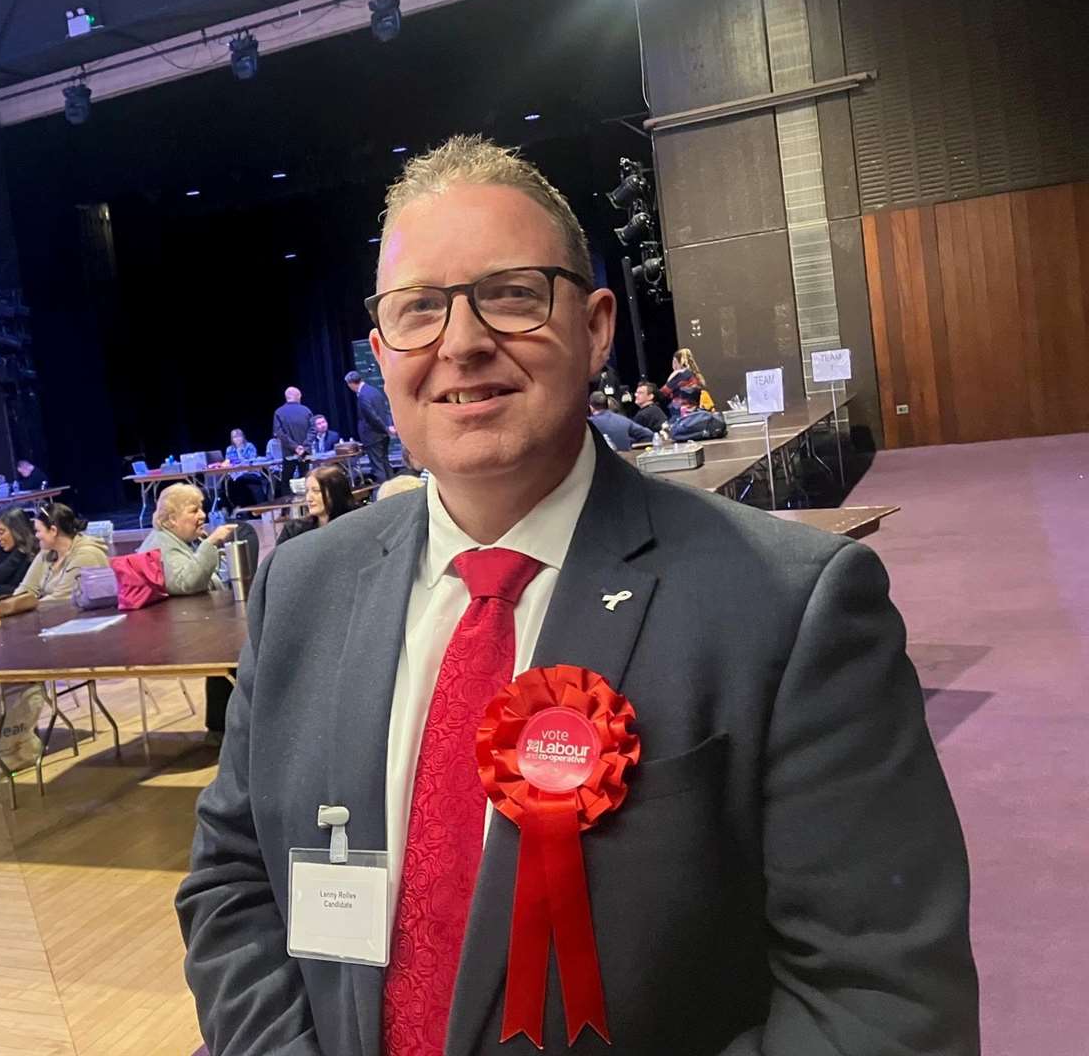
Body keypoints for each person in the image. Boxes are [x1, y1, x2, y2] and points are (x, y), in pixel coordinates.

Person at [177, 135, 978, 1054]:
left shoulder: (792, 609)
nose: (463, 342)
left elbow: (880, 1002)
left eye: (512, 295)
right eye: (419, 309)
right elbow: (233, 882)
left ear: (597, 326)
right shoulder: (301, 588)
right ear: (380, 352)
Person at [139, 483, 237, 738]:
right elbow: (186, 583)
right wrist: (212, 544)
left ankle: (226, 725)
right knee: (234, 648)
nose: (202, 515)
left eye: (201, 508)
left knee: (239, 642)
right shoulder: (160, 545)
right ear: (171, 520)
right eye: (194, 510)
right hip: (173, 637)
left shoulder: (184, 541)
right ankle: (225, 728)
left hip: (195, 623)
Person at [14, 503, 110, 604]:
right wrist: (8, 608)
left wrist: (24, 607)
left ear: (53, 530)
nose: (36, 536)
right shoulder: (46, 552)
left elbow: (60, 598)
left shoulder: (86, 555)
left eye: (38, 531)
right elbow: (27, 588)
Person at [276, 465, 357, 544]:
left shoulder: (356, 525)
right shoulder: (292, 531)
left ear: (335, 493)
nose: (309, 498)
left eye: (316, 491)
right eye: (307, 491)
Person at [346, 369, 398, 484]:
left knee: (378, 466)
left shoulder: (363, 396)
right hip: (382, 435)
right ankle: (394, 490)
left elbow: (372, 417)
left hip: (373, 436)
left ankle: (383, 495)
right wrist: (388, 428)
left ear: (350, 384)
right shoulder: (374, 390)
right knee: (385, 463)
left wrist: (386, 428)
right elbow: (384, 411)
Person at [0, 507, 38, 599]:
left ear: (17, 530)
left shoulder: (35, 553)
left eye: (1, 532)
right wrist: (18, 554)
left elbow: (26, 590)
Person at [272, 386, 315, 480]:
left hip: (288, 453)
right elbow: (313, 430)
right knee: (307, 479)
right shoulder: (306, 410)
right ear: (298, 396)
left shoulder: (278, 412)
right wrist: (304, 447)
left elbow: (279, 433)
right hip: (305, 453)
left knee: (287, 482)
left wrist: (295, 447)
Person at [588, 390, 655, 451]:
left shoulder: (587, 425)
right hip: (624, 460)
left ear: (591, 407)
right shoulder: (623, 420)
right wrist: (633, 448)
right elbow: (648, 434)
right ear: (607, 404)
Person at [223, 429, 267, 512]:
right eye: (234, 437)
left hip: (251, 472)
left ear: (243, 437)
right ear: (232, 439)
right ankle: (238, 509)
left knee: (246, 481)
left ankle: (261, 509)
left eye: (239, 436)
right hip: (236, 474)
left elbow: (251, 460)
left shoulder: (249, 446)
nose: (237, 439)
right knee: (231, 483)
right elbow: (228, 461)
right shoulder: (230, 449)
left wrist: (239, 454)